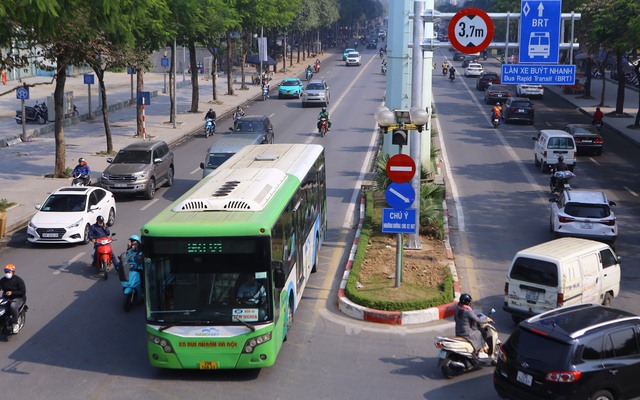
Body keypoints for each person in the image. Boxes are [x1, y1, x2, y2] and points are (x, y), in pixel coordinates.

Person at [0, 264, 26, 334]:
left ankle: (15, 324)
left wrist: (12, 293)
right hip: (6, 298)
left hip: (18, 298)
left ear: (13, 272)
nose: (7, 273)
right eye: (6, 271)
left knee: (13, 306)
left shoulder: (18, 280)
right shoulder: (2, 280)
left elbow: (23, 291)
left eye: (9, 271)